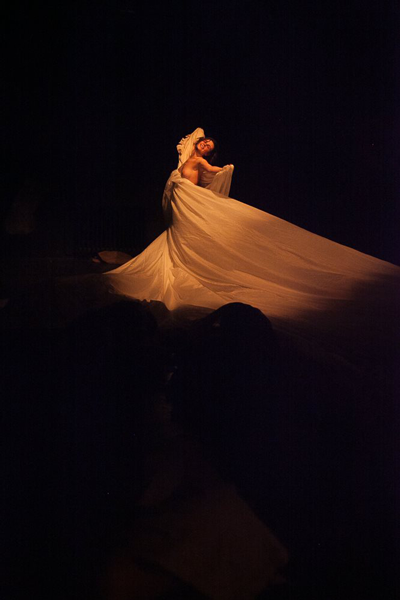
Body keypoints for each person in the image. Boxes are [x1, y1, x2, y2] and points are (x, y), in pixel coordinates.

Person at [104, 128, 399, 371]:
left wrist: (223, 168)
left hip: (189, 198)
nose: (205, 145)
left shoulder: (200, 163)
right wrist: (198, 141)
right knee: (178, 238)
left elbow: (213, 168)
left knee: (192, 236)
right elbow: (197, 132)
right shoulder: (187, 157)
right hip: (183, 198)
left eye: (209, 146)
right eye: (204, 143)